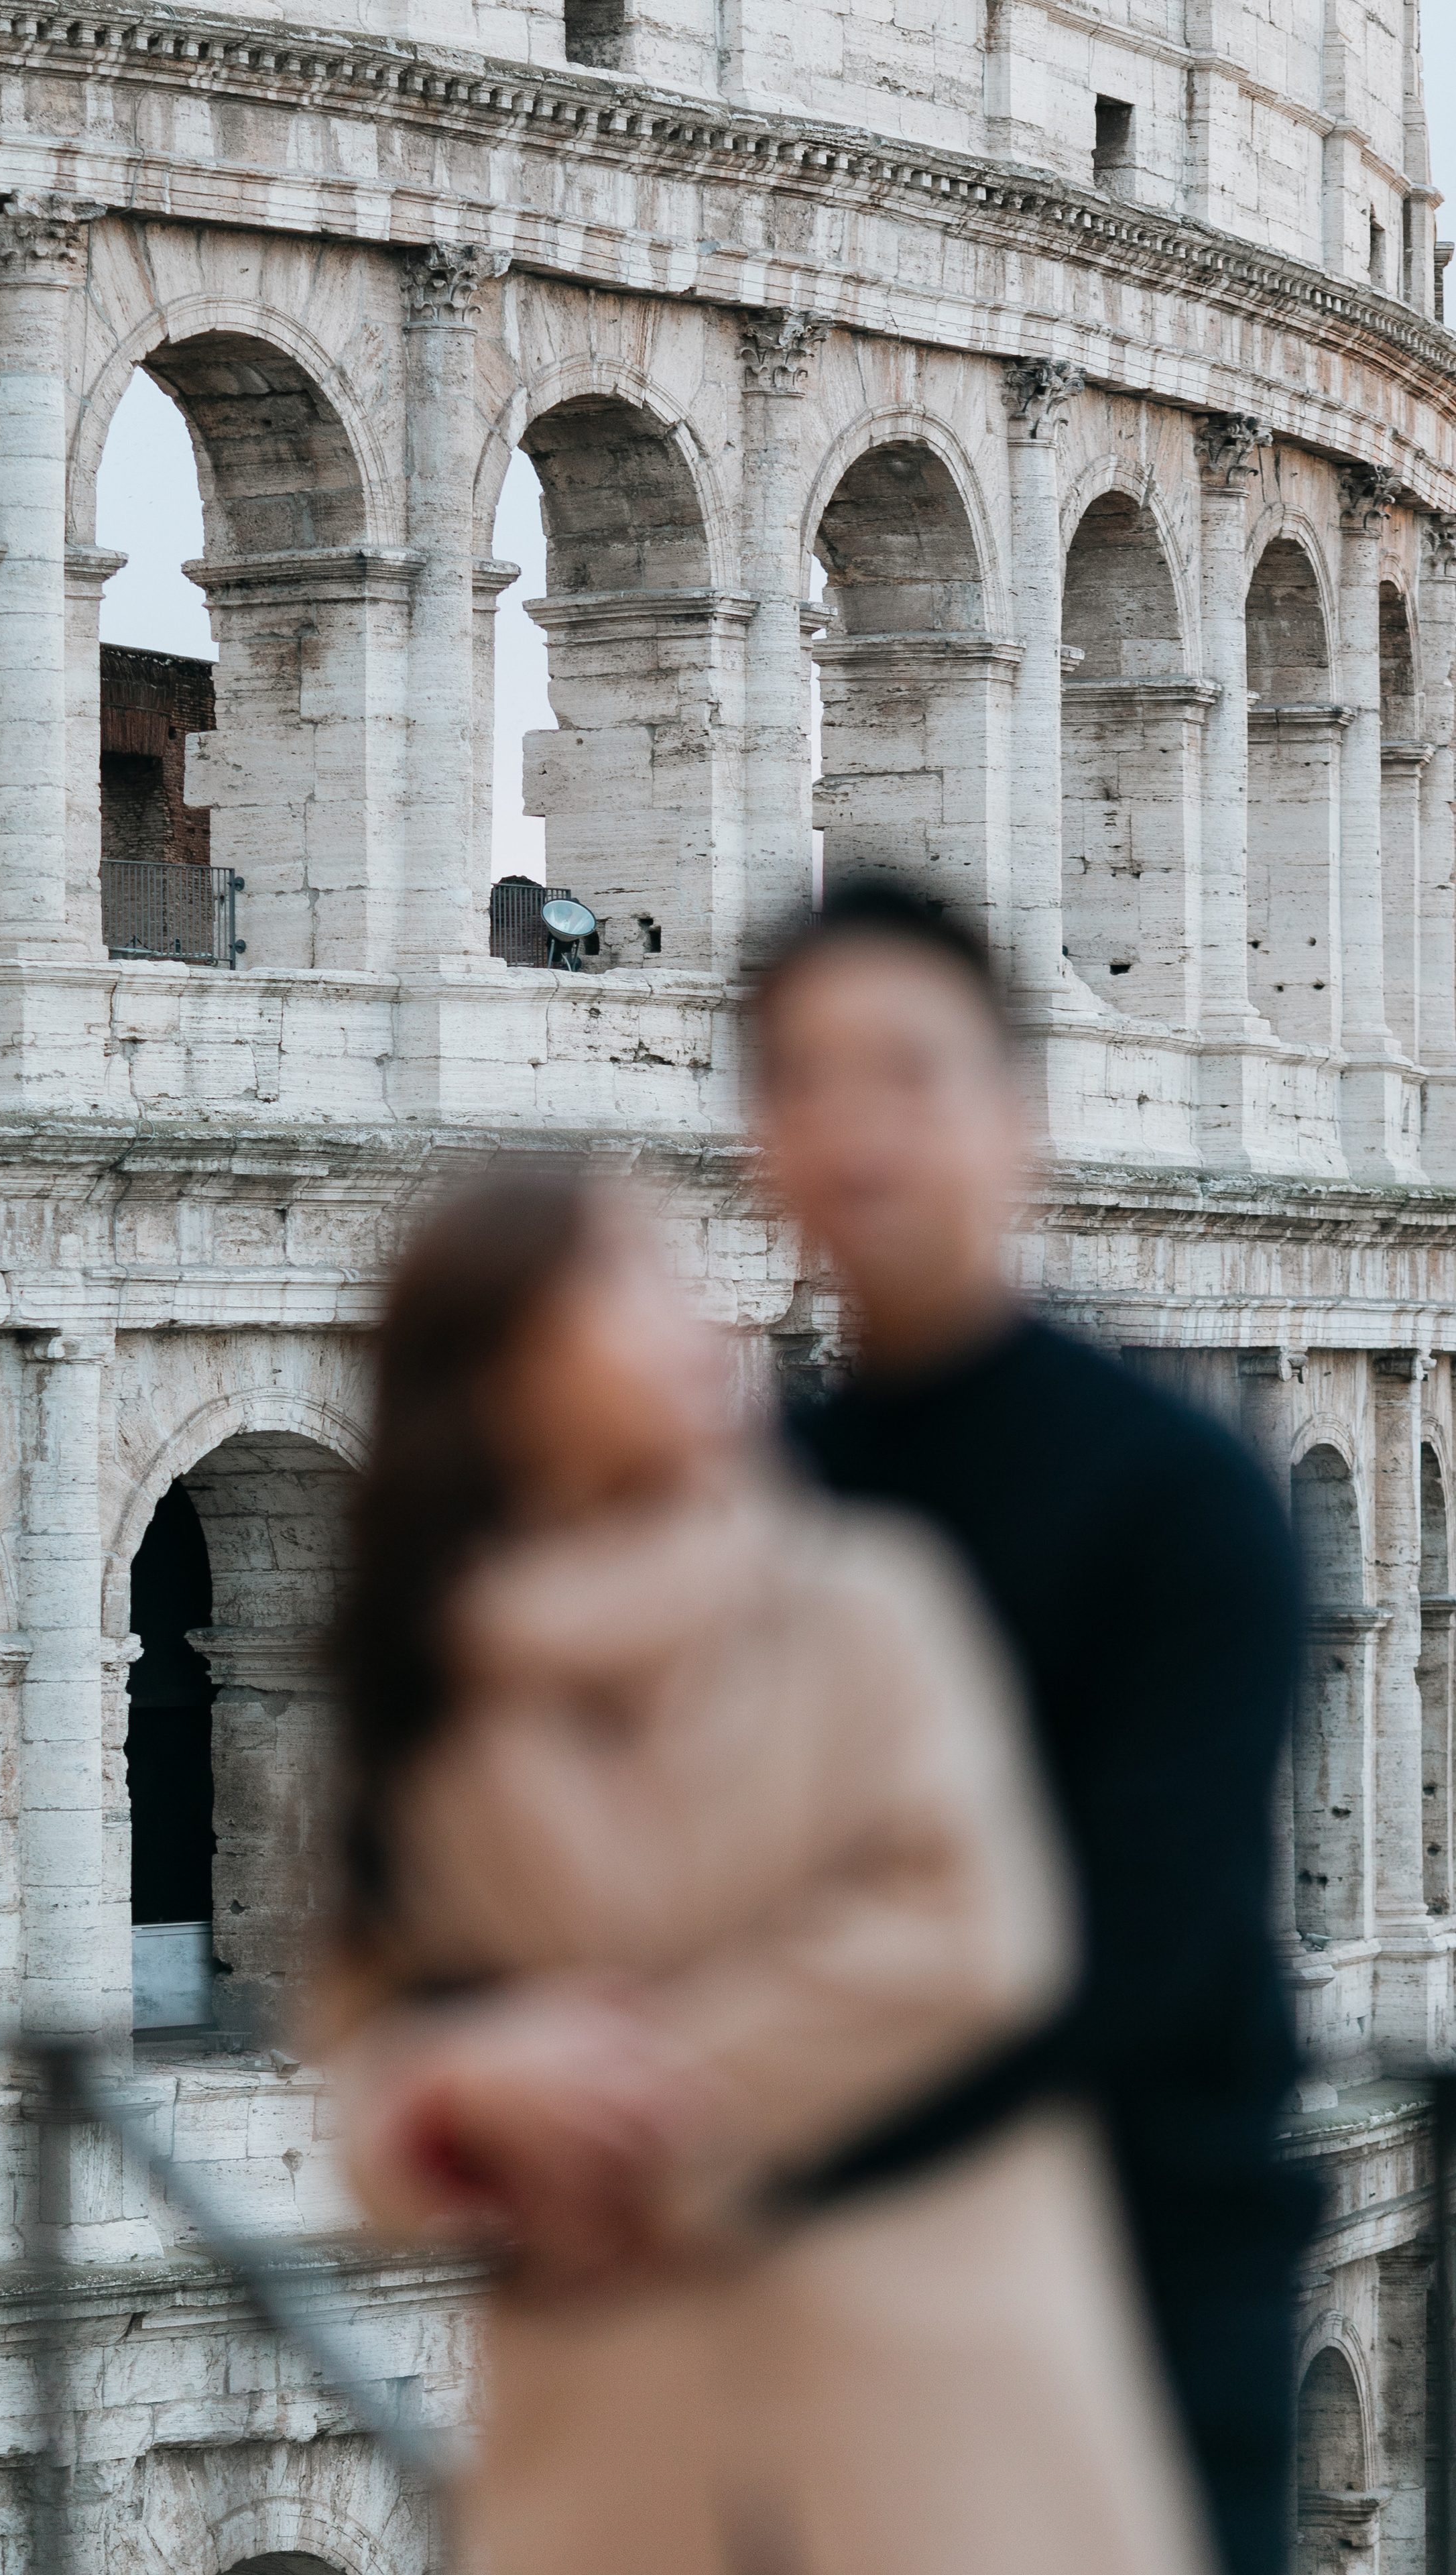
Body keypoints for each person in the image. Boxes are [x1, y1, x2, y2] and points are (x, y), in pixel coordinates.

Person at [324, 1161, 1217, 2575]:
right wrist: (453, 2095)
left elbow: (977, 1937)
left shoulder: (862, 1596)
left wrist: (612, 2102)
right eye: (625, 1282)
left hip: (923, 2377)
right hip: (616, 2429)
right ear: (503, 1369)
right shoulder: (422, 1697)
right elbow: (362, 2078)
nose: (692, 1316)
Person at [749, 878, 1314, 2575]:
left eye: (906, 1077)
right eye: (803, 1082)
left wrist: (702, 2114)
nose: (857, 1132)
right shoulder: (760, 1502)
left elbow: (1130, 1945)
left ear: (1015, 1123)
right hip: (820, 2283)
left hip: (1123, 2269)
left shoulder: (1183, 1495)